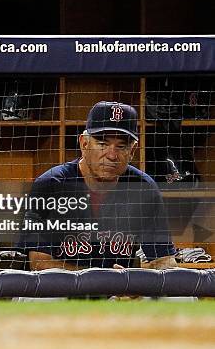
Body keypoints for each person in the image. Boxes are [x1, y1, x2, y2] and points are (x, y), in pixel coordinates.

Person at [20, 101, 178, 271]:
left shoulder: (143, 188)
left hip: (119, 293)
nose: (111, 155)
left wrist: (137, 283)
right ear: (84, 144)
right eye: (102, 143)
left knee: (183, 298)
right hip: (62, 290)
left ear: (132, 151)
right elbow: (40, 263)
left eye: (121, 146)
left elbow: (164, 261)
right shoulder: (51, 184)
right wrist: (101, 281)